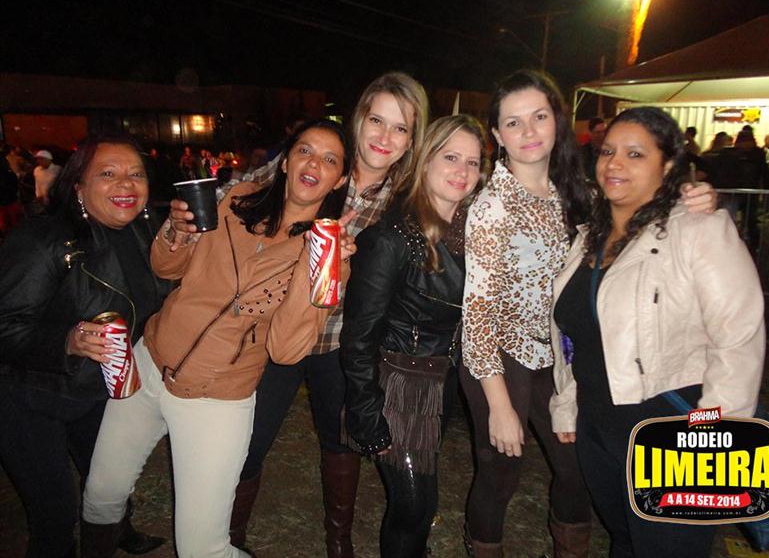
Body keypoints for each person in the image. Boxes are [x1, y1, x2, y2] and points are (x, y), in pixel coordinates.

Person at [460, 70, 717, 558]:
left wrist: (691, 198)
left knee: (575, 467)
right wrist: (500, 405)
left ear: (556, 121)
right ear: (497, 135)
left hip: (560, 355)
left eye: (539, 116)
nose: (528, 131)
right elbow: (477, 315)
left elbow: (641, 211)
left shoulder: (579, 191)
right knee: (500, 470)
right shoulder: (491, 208)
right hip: (500, 355)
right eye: (513, 123)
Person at [81, 119, 356, 558]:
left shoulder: (330, 255)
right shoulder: (236, 199)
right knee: (101, 496)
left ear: (340, 179)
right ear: (287, 162)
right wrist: (178, 230)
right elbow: (166, 268)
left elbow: (286, 350)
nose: (313, 164)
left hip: (217, 397)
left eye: (329, 160)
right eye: (304, 150)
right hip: (149, 363)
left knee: (201, 549)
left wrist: (315, 267)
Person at [549, 106, 765, 558]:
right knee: (624, 542)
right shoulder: (590, 235)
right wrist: (567, 403)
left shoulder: (698, 229)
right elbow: (574, 335)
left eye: (635, 154)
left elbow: (738, 339)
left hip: (678, 433)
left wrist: (713, 439)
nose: (614, 163)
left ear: (667, 167)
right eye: (608, 151)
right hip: (599, 428)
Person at [230, 72, 428, 557]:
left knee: (340, 443)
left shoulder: (405, 201)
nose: (384, 137)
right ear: (359, 120)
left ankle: (338, 541)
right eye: (376, 120)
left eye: (400, 128)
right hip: (279, 328)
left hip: (341, 342)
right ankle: (226, 538)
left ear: (411, 140)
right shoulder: (320, 158)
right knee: (250, 440)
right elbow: (245, 191)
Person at [0, 135, 171, 557]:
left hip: (97, 389)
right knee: (54, 509)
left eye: (136, 174)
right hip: (28, 394)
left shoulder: (146, 232)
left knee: (110, 479)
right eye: (108, 174)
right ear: (78, 186)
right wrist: (67, 341)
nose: (126, 184)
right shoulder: (44, 240)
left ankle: (119, 532)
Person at [341, 114, 485, 557]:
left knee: (422, 507)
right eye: (451, 157)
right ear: (425, 161)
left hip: (438, 386)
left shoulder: (472, 233)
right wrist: (367, 413)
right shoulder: (391, 238)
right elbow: (359, 336)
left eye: (473, 162)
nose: (462, 171)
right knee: (412, 507)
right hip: (397, 388)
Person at [580, 117, 605, 181]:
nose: (602, 135)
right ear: (590, 133)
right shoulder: (582, 152)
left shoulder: (610, 151)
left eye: (604, 131)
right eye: (598, 132)